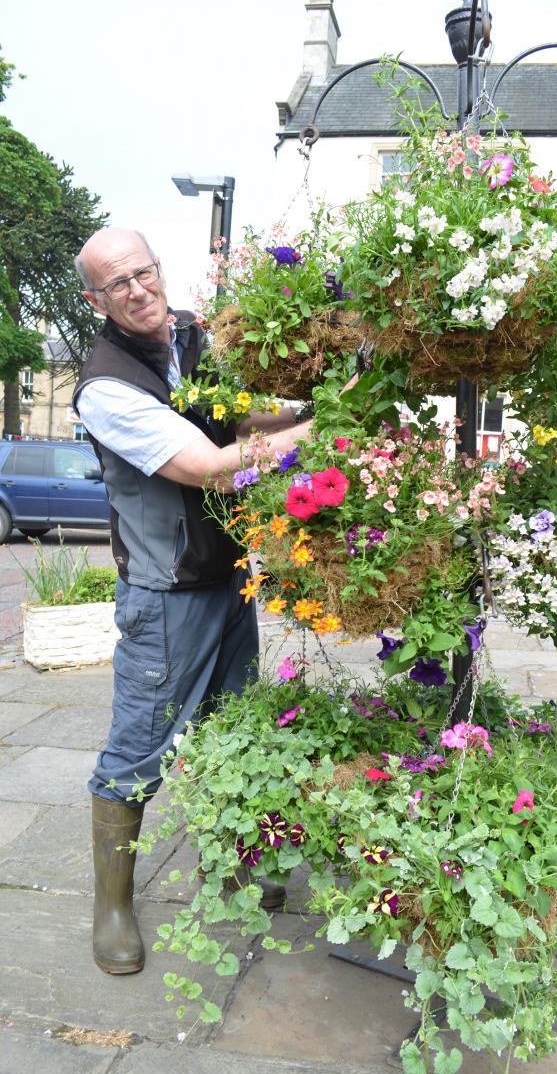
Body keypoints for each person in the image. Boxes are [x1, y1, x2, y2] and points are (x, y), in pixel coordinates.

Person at [73, 227, 312, 976]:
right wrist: (327, 430)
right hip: (165, 596)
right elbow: (210, 465)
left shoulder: (187, 340)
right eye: (118, 285)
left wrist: (314, 409)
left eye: (143, 273)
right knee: (139, 748)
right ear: (96, 301)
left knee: (229, 730)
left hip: (227, 581)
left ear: (158, 270)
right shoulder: (106, 385)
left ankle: (230, 863)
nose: (138, 290)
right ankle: (111, 906)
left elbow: (239, 422)